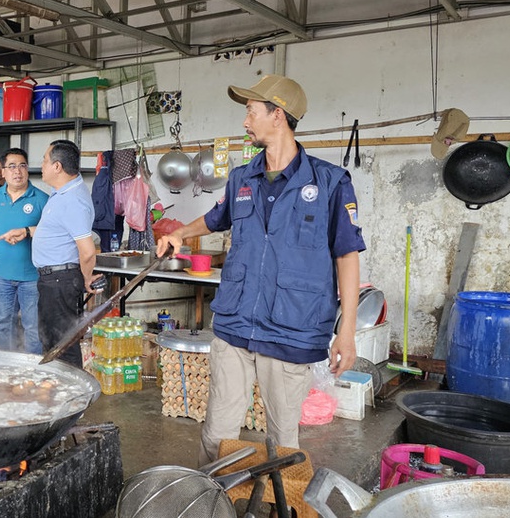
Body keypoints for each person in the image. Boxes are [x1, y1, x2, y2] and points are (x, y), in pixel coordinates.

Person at [155, 74, 366, 462]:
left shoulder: (331, 183)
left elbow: (347, 255)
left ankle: (277, 507)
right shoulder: (242, 178)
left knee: (282, 441)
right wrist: (180, 233)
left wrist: (346, 333)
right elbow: (217, 218)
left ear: (278, 116)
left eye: (251, 112)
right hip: (236, 325)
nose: (245, 121)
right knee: (217, 434)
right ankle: (214, 502)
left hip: (292, 329)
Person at [31, 139, 102, 367]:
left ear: (57, 167)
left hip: (60, 281)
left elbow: (88, 251)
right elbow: (58, 233)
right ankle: (55, 390)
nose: (41, 165)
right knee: (52, 341)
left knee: (63, 344)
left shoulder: (73, 200)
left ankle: (73, 398)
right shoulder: (62, 193)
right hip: (54, 279)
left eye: (44, 160)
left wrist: (87, 277)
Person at [0, 148, 49, 354]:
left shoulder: (41, 199)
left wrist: (27, 232)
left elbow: (52, 233)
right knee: (4, 324)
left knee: (32, 327)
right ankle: (7, 369)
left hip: (32, 276)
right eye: (11, 166)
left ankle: (32, 374)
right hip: (2, 275)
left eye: (22, 165)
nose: (17, 171)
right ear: (2, 172)